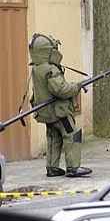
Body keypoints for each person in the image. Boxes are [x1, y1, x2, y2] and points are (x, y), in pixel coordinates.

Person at [29, 33, 92, 177]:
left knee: (53, 138)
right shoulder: (51, 69)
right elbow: (61, 90)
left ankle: (52, 168)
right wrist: (76, 87)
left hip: (47, 113)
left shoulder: (37, 68)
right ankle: (73, 167)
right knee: (72, 135)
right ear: (47, 51)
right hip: (60, 112)